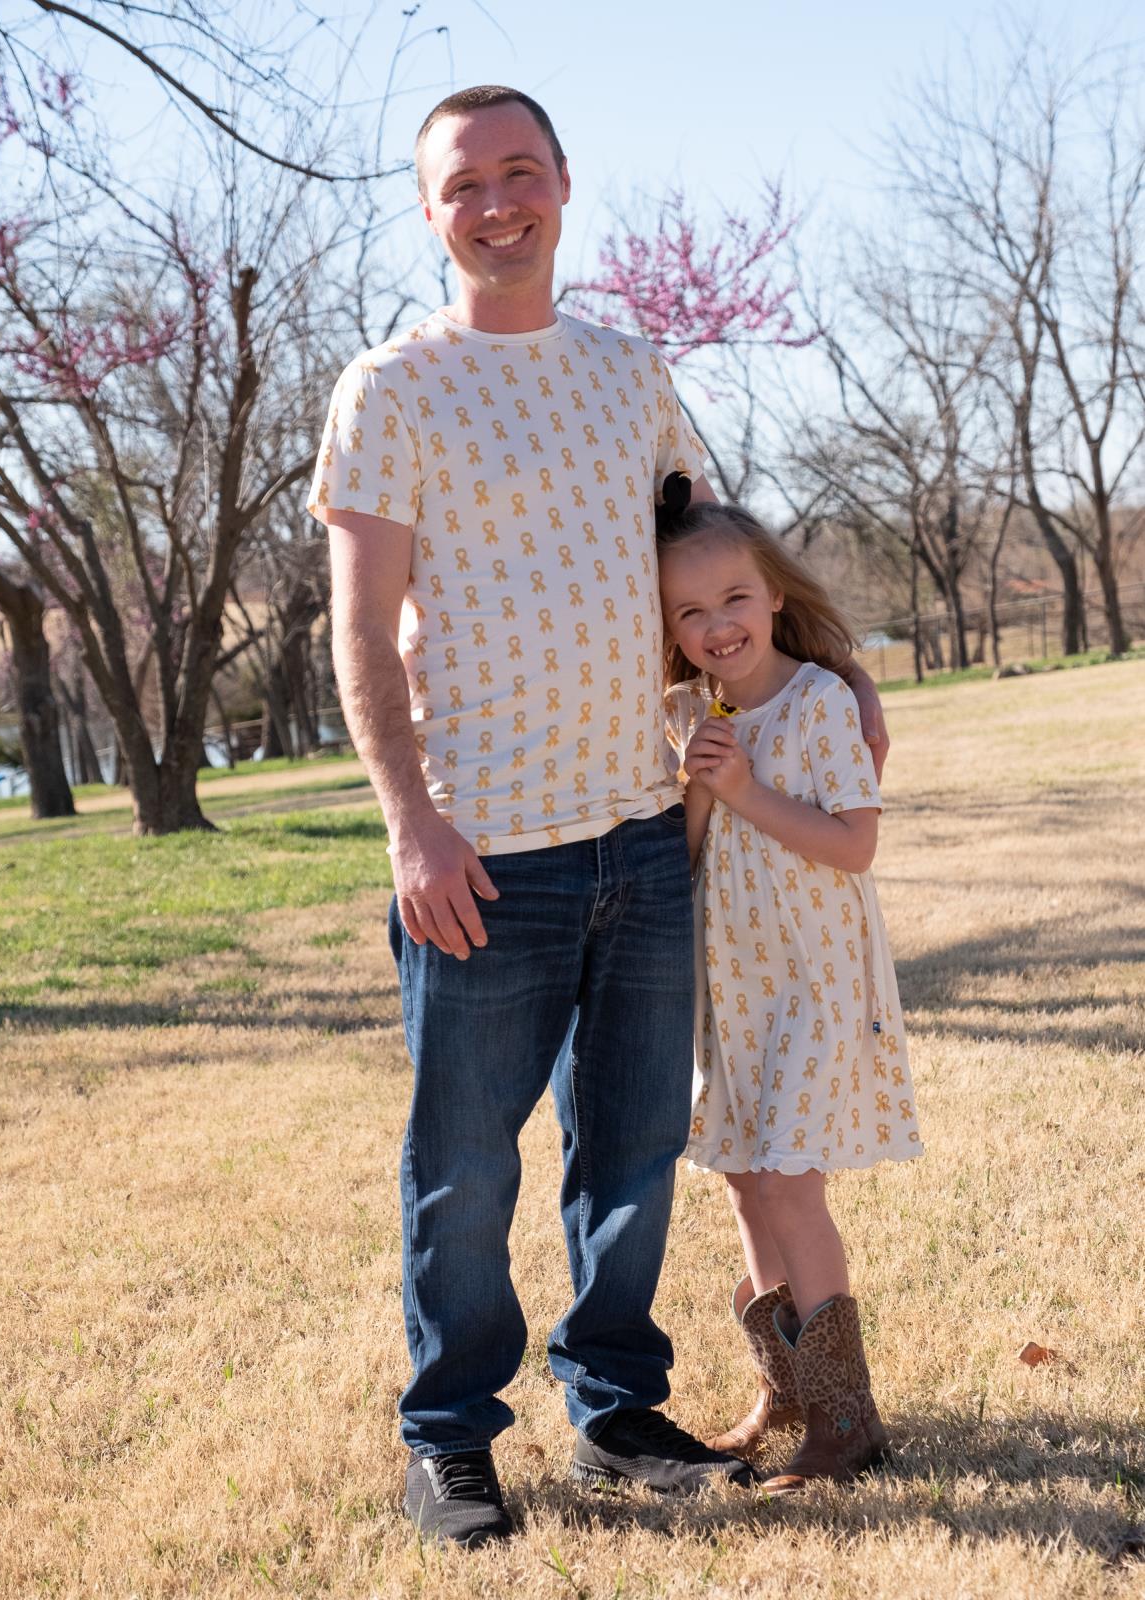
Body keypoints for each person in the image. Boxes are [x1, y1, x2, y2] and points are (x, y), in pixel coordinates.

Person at [307, 86, 889, 1547]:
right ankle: (447, 1437)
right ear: (428, 210)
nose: (496, 202)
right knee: (465, 1163)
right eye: (463, 184)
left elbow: (712, 551)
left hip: (641, 833)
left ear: (563, 182)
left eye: (520, 171)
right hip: (482, 851)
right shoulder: (391, 387)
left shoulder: (631, 375)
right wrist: (408, 823)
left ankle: (616, 1407)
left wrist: (834, 672)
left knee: (627, 1149)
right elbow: (361, 634)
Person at [656, 476, 921, 1494]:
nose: (716, 624)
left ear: (771, 594)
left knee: (792, 1181)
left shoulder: (817, 705)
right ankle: (787, 1391)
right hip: (730, 992)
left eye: (732, 598)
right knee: (741, 1174)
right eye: (690, 611)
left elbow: (852, 845)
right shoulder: (687, 715)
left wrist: (745, 788)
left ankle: (847, 1419)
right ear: (672, 633)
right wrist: (696, 783)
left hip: (811, 984)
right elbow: (683, 857)